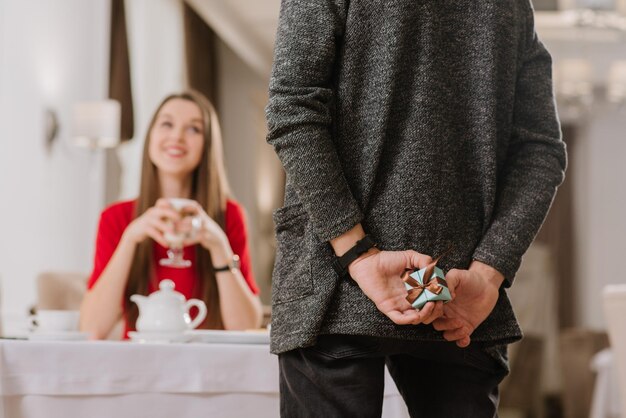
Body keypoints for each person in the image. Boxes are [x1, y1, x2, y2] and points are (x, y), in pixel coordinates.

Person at [265, 1, 567, 417]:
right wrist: (487, 272)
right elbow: (541, 150)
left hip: (338, 287)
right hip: (455, 292)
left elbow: (292, 108)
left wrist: (358, 252)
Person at [81, 90, 263, 339]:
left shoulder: (229, 215)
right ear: (150, 137)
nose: (176, 136)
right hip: (140, 366)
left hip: (208, 368)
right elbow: (92, 329)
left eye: (194, 129)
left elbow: (245, 328)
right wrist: (130, 239)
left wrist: (219, 246)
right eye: (167, 124)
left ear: (207, 145)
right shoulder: (116, 218)